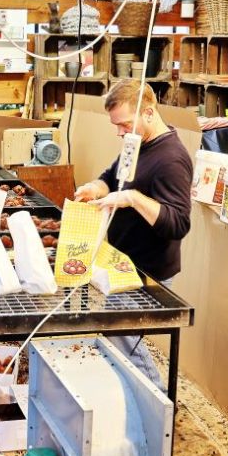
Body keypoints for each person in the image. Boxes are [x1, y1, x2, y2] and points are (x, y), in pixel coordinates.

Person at [74, 79, 193, 390]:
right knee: (118, 338)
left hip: (148, 270)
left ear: (149, 112)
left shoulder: (171, 159)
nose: (120, 132)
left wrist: (132, 198)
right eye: (116, 125)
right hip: (122, 263)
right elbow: (111, 177)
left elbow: (178, 223)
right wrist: (94, 189)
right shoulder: (136, 143)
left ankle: (159, 404)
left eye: (125, 124)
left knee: (125, 341)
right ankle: (136, 398)